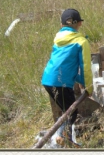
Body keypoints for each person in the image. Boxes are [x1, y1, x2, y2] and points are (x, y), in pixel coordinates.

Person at [41, 8, 93, 148]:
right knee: (72, 111)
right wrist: (89, 86)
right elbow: (85, 67)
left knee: (67, 110)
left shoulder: (58, 39)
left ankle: (65, 138)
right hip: (61, 82)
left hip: (47, 79)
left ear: (61, 25)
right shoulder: (81, 42)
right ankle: (62, 136)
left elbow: (69, 67)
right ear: (79, 24)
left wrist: (81, 82)